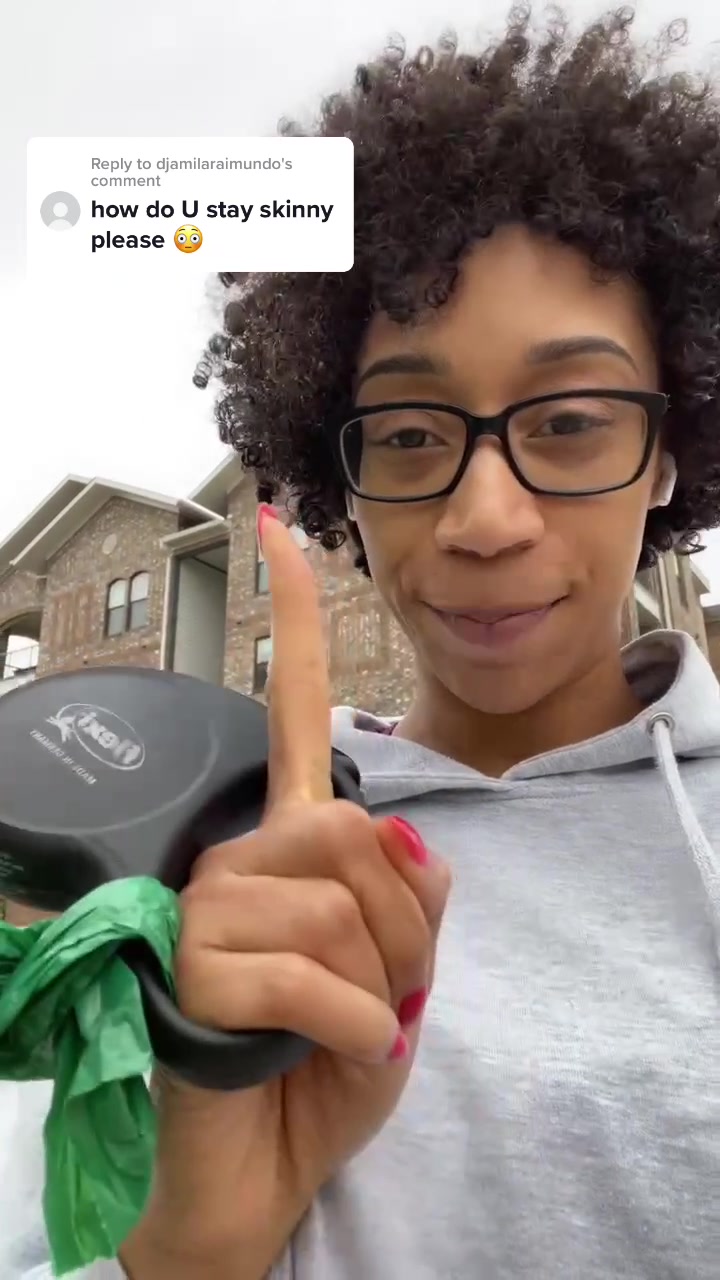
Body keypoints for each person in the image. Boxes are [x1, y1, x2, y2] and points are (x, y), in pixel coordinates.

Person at [4, 5, 720, 1277]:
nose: (484, 518)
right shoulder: (199, 846)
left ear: (668, 451)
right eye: (408, 434)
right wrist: (183, 1248)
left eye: (569, 420)